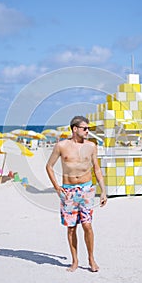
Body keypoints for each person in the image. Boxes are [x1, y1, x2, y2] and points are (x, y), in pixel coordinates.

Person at [46, 115, 107, 272]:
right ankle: (75, 261)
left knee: (87, 225)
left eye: (88, 128)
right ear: (75, 129)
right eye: (84, 128)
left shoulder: (92, 146)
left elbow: (97, 168)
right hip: (69, 192)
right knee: (71, 228)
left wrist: (103, 191)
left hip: (87, 190)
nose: (88, 131)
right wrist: (57, 187)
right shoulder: (61, 146)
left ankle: (91, 259)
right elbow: (49, 166)